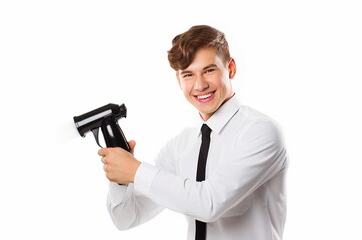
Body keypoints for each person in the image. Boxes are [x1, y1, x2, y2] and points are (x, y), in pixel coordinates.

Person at [98, 25, 289, 240]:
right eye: (188, 74)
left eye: (209, 70)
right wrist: (121, 176)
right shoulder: (179, 147)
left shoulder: (260, 131)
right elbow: (127, 218)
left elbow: (209, 203)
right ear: (179, 80)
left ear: (231, 68)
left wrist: (136, 171)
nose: (199, 85)